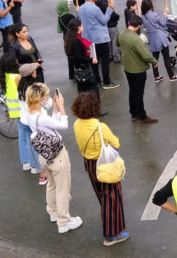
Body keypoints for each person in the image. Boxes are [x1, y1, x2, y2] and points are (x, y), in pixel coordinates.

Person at [22, 83, 83, 233]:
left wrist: (54, 108)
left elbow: (52, 124)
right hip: (57, 156)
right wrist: (61, 107)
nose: (48, 98)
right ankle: (64, 222)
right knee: (63, 189)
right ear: (40, 99)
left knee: (52, 185)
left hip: (44, 155)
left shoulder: (31, 113)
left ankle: (53, 213)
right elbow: (63, 125)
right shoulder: (41, 117)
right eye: (46, 96)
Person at [72, 92, 130, 246]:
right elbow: (116, 143)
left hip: (89, 163)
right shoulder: (100, 126)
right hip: (104, 163)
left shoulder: (77, 124)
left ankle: (110, 226)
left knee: (102, 195)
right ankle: (111, 235)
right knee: (111, 197)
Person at [118, 17, 160, 124]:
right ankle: (142, 115)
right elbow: (145, 55)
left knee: (132, 91)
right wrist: (154, 61)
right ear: (138, 26)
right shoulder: (136, 39)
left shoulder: (122, 33)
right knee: (139, 94)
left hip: (127, 67)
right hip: (138, 69)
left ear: (128, 23)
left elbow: (117, 43)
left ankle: (133, 113)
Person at [78, 0, 119, 89]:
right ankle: (106, 82)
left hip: (88, 39)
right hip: (100, 38)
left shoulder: (81, 9)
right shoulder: (94, 8)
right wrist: (109, 9)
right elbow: (104, 20)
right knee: (105, 61)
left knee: (94, 61)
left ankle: (97, 80)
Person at [142, 0, 177, 82]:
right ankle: (172, 76)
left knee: (154, 59)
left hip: (152, 39)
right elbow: (163, 23)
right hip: (161, 38)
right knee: (166, 58)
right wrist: (165, 15)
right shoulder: (154, 15)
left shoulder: (143, 16)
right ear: (150, 5)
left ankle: (156, 77)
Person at [65, 19, 99, 94]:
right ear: (78, 27)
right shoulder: (76, 40)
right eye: (82, 25)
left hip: (78, 69)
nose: (83, 27)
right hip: (83, 70)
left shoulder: (71, 38)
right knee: (90, 91)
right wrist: (90, 59)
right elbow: (78, 56)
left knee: (83, 91)